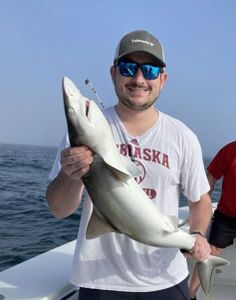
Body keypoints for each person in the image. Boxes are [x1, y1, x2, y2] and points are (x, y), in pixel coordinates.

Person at [46, 30, 212, 300]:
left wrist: (196, 235)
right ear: (113, 74)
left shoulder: (183, 136)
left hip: (167, 278)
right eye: (127, 68)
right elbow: (59, 210)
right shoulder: (76, 139)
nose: (138, 79)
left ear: (163, 79)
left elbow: (201, 200)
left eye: (149, 69)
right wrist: (70, 175)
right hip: (100, 281)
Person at [189, 140, 236, 300]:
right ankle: (191, 294)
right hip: (227, 217)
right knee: (207, 253)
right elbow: (211, 178)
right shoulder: (230, 150)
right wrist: (201, 209)